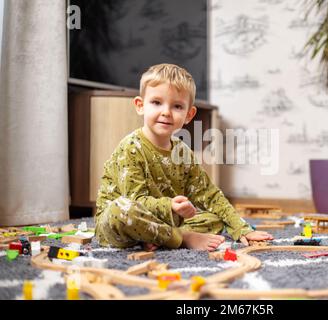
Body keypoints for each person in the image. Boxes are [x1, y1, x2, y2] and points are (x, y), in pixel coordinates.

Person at [95, 63, 273, 251]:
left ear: (189, 114)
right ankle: (179, 237)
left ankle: (156, 237)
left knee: (215, 218)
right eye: (156, 102)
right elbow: (136, 200)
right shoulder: (130, 148)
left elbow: (210, 194)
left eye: (177, 106)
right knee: (121, 210)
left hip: (161, 219)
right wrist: (170, 206)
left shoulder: (182, 152)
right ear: (140, 106)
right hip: (120, 226)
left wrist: (241, 228)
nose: (166, 112)